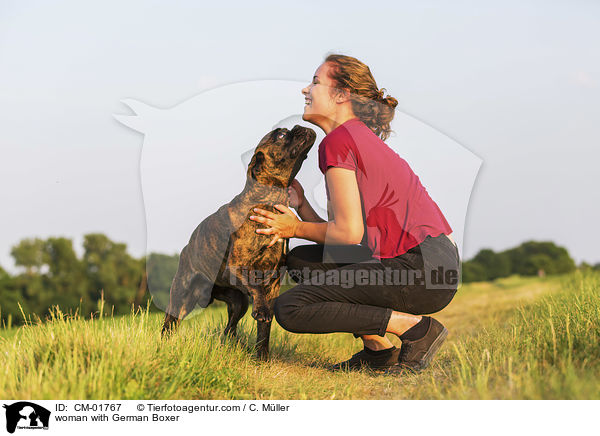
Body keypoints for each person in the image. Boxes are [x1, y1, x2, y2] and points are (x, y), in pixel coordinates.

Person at [248, 54, 460, 372]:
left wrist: (292, 228)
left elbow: (348, 234)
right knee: (304, 261)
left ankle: (416, 329)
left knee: (290, 308)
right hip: (433, 265)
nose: (305, 90)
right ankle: (378, 351)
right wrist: (302, 206)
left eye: (316, 82)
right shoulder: (353, 137)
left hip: (419, 267)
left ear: (342, 94)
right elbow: (346, 239)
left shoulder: (339, 141)